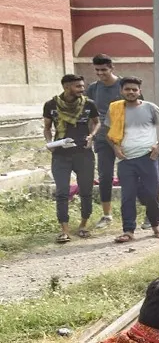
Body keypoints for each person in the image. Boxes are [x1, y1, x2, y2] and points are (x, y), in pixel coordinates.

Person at [105, 77, 159, 243]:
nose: (131, 92)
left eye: (134, 89)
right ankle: (128, 230)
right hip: (125, 160)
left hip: (148, 157)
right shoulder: (115, 109)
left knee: (152, 193)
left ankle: (156, 225)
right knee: (128, 195)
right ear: (121, 91)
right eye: (127, 89)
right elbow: (110, 134)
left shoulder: (150, 108)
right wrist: (115, 148)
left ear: (139, 91)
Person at [44, 74, 99, 243]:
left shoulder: (88, 104)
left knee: (86, 191)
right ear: (66, 87)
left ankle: (83, 226)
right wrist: (49, 144)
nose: (82, 89)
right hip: (60, 154)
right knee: (61, 192)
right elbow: (47, 128)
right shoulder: (51, 105)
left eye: (82, 86)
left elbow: (97, 122)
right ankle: (64, 230)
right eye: (78, 87)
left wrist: (92, 135)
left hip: (84, 153)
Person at [85, 54, 122, 228]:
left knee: (133, 173)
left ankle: (145, 210)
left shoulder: (124, 86)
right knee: (105, 175)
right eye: (97, 70)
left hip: (124, 137)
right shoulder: (93, 88)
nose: (100, 73)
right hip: (102, 138)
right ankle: (107, 215)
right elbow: (88, 114)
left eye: (104, 70)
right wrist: (89, 136)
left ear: (111, 68)